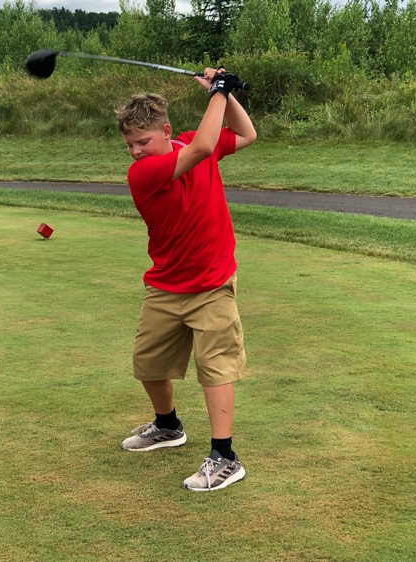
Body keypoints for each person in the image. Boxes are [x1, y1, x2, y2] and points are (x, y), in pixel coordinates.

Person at [115, 68, 257, 491]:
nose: (135, 151)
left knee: (215, 368)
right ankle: (168, 426)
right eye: (129, 145)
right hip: (164, 285)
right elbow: (203, 147)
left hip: (212, 283)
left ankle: (224, 456)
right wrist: (218, 91)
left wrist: (225, 94)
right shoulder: (144, 173)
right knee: (148, 365)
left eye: (142, 142)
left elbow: (246, 134)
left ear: (165, 131)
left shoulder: (191, 143)